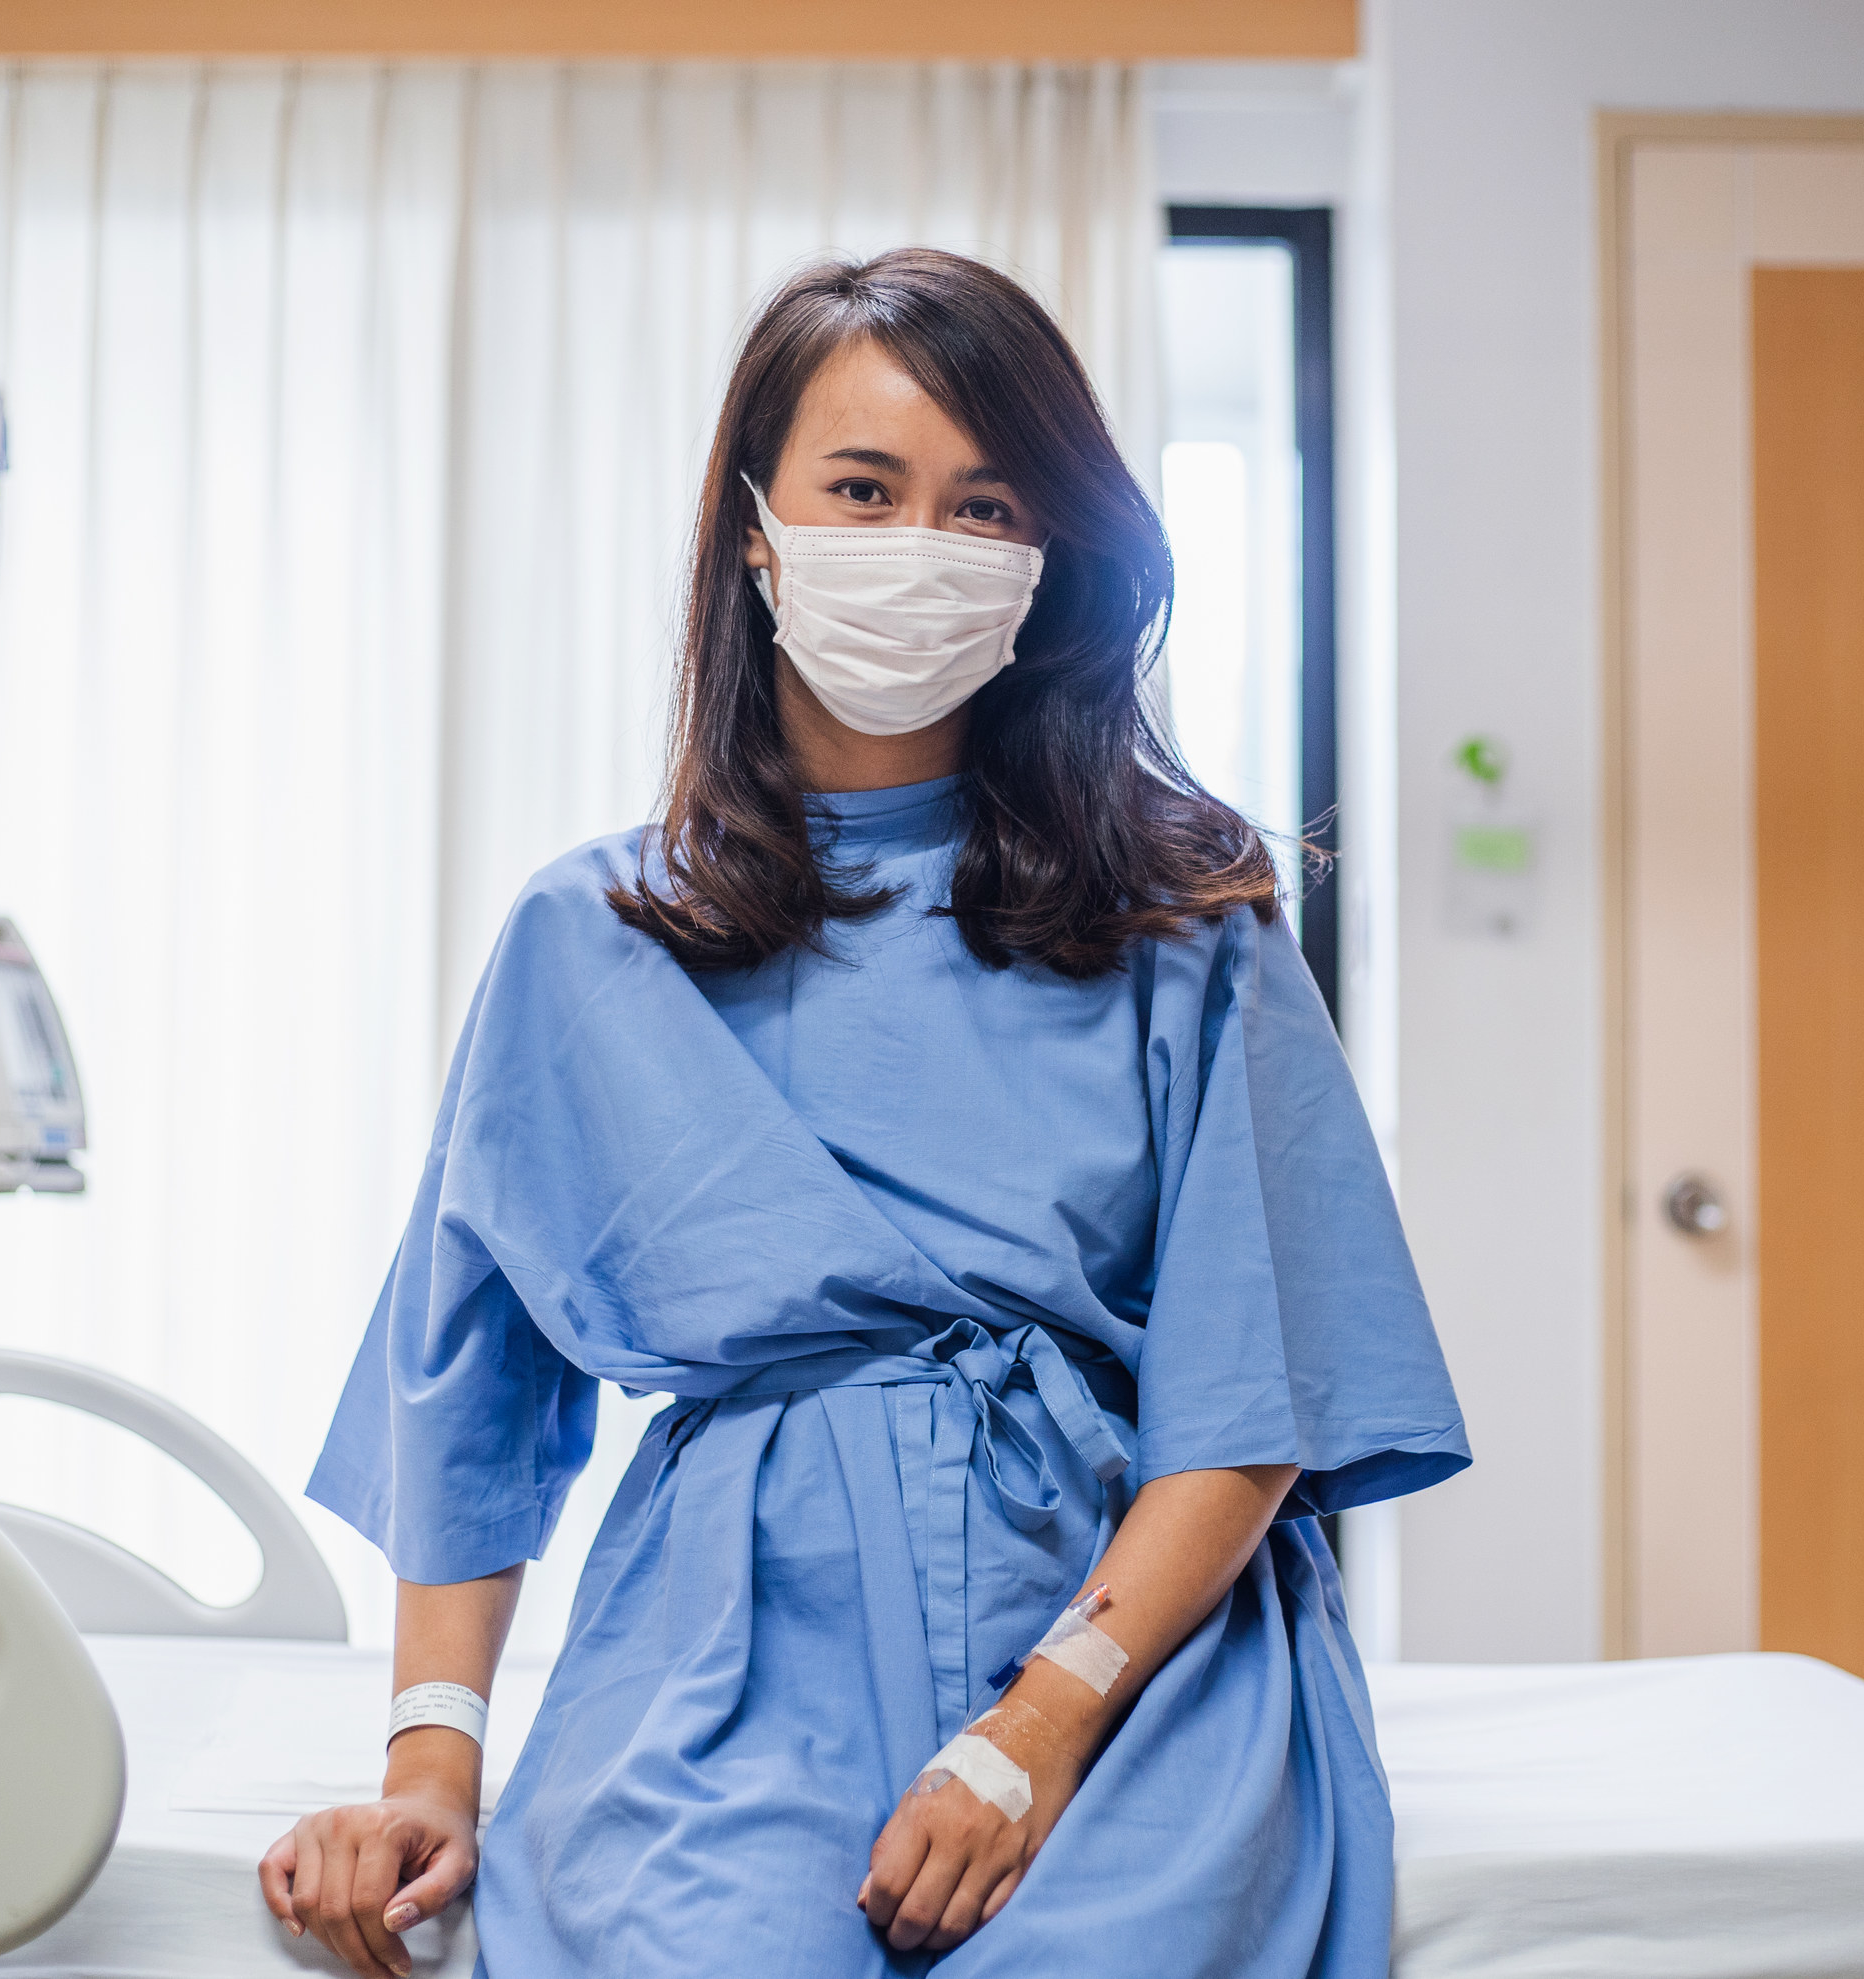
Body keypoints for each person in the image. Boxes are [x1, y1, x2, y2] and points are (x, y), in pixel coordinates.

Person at [263, 247, 1467, 1978]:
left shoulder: (1187, 920)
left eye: (986, 508)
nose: (924, 544)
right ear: (759, 525)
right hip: (729, 1638)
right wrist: (429, 1766)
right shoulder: (592, 943)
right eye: (865, 489)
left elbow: (1254, 1392)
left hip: (1126, 1640)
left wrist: (1036, 1731)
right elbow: (469, 1386)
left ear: (1050, 561)